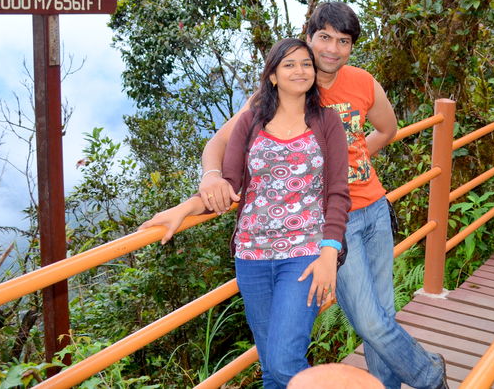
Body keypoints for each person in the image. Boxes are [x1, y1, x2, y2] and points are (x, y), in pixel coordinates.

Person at [199, 3, 449, 389]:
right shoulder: (287, 88)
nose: (333, 48)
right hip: (332, 223)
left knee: (381, 318)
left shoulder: (363, 82)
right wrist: (211, 178)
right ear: (310, 37)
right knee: (369, 321)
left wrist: (354, 159)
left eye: (344, 41)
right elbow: (218, 144)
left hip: (375, 210)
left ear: (351, 46)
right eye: (325, 37)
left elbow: (387, 128)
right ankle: (429, 375)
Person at [141, 38, 350, 389]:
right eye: (289, 64)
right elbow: (230, 184)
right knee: (271, 366)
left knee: (285, 362)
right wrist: (187, 207)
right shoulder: (251, 122)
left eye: (306, 64)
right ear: (272, 76)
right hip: (251, 255)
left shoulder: (327, 122)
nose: (300, 70)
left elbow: (337, 194)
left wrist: (330, 250)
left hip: (305, 254)